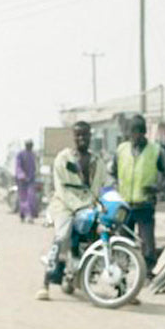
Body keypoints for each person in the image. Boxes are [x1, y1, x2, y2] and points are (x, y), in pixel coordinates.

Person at [36, 121, 107, 300]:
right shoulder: (63, 158)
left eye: (85, 134)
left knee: (102, 232)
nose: (82, 138)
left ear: (91, 135)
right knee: (63, 235)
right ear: (74, 137)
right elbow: (61, 188)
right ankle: (45, 283)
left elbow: (98, 185)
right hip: (64, 205)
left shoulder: (97, 161)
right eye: (78, 135)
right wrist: (80, 205)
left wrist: (96, 204)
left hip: (88, 204)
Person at [109, 114, 165, 276]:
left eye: (138, 133)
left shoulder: (156, 151)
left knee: (147, 243)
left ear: (144, 133)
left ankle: (148, 272)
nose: (134, 136)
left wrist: (157, 188)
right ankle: (121, 273)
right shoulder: (121, 150)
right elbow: (112, 172)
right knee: (123, 240)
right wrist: (115, 189)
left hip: (145, 205)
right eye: (131, 133)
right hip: (124, 205)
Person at [14, 140, 40, 222]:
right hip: (22, 180)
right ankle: (24, 214)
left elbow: (35, 167)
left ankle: (30, 215)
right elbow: (18, 166)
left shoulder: (33, 154)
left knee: (31, 197)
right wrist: (21, 175)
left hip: (31, 180)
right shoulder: (20, 154)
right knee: (23, 198)